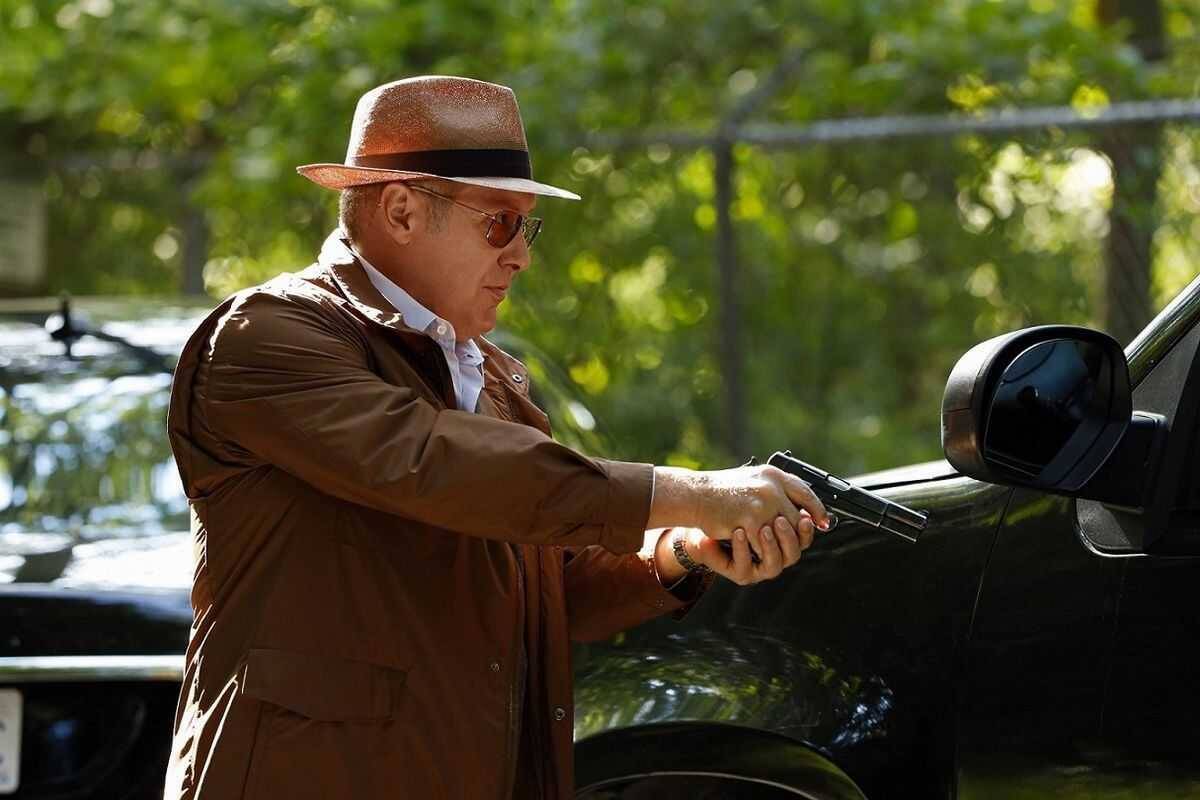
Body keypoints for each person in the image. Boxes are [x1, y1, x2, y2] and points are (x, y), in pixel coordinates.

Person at [163, 75, 830, 800]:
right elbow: (435, 463)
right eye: (499, 223)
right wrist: (691, 492)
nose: (521, 256)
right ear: (401, 210)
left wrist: (682, 551)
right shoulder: (267, 334)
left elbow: (550, 584)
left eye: (526, 228)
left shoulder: (488, 376)